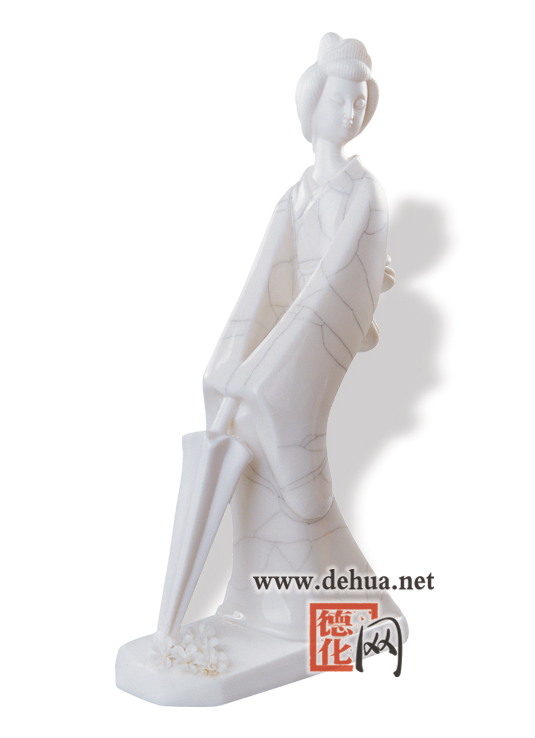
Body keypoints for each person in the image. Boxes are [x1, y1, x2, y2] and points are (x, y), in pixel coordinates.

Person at [203, 33, 402, 639]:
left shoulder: (365, 192)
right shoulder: (293, 198)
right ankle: (254, 596)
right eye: (339, 99)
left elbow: (332, 288)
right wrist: (230, 366)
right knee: (237, 413)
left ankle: (314, 615)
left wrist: (264, 372)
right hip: (282, 345)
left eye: (359, 102)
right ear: (312, 104)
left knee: (268, 412)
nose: (349, 112)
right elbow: (261, 286)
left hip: (309, 350)